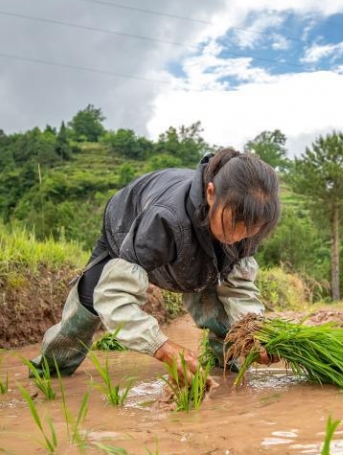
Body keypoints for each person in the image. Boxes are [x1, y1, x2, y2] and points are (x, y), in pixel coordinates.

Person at [30, 148, 281, 382]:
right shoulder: (165, 218)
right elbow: (114, 298)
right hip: (126, 229)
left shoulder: (251, 221)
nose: (239, 235)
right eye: (234, 221)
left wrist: (253, 333)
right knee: (88, 307)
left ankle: (224, 371)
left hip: (196, 254)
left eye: (251, 228)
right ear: (211, 193)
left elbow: (239, 289)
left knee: (224, 316)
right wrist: (162, 348)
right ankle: (49, 373)